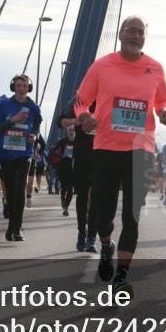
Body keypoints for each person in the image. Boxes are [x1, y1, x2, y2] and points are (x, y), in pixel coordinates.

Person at [75, 16, 166, 297]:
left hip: (140, 151)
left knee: (132, 215)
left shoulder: (155, 68)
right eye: (131, 30)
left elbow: (162, 99)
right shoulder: (102, 65)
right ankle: (106, 244)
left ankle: (121, 277)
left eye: (141, 32)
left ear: (145, 37)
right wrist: (84, 118)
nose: (136, 36)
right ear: (120, 34)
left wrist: (164, 112)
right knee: (101, 215)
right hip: (106, 148)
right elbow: (81, 100)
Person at [0, 74, 42, 241]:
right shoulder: (5, 105)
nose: (22, 89)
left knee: (20, 188)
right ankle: (12, 224)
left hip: (24, 153)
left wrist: (34, 135)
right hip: (6, 154)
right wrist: (13, 120)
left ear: (28, 88)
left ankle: (16, 228)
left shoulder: (34, 107)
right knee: (10, 192)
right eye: (18, 85)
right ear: (14, 87)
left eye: (25, 86)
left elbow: (37, 125)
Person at [58, 97, 98, 252]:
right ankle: (82, 233)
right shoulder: (79, 101)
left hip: (102, 156)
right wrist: (77, 121)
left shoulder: (109, 96)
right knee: (82, 197)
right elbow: (60, 121)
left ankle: (92, 238)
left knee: (95, 198)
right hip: (81, 156)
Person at [55, 127, 77, 216]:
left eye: (73, 130)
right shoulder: (62, 142)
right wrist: (59, 153)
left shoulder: (78, 142)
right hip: (63, 167)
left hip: (73, 168)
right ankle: (62, 198)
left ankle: (66, 208)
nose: (71, 132)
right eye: (69, 130)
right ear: (67, 131)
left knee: (70, 190)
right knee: (64, 188)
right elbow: (55, 153)